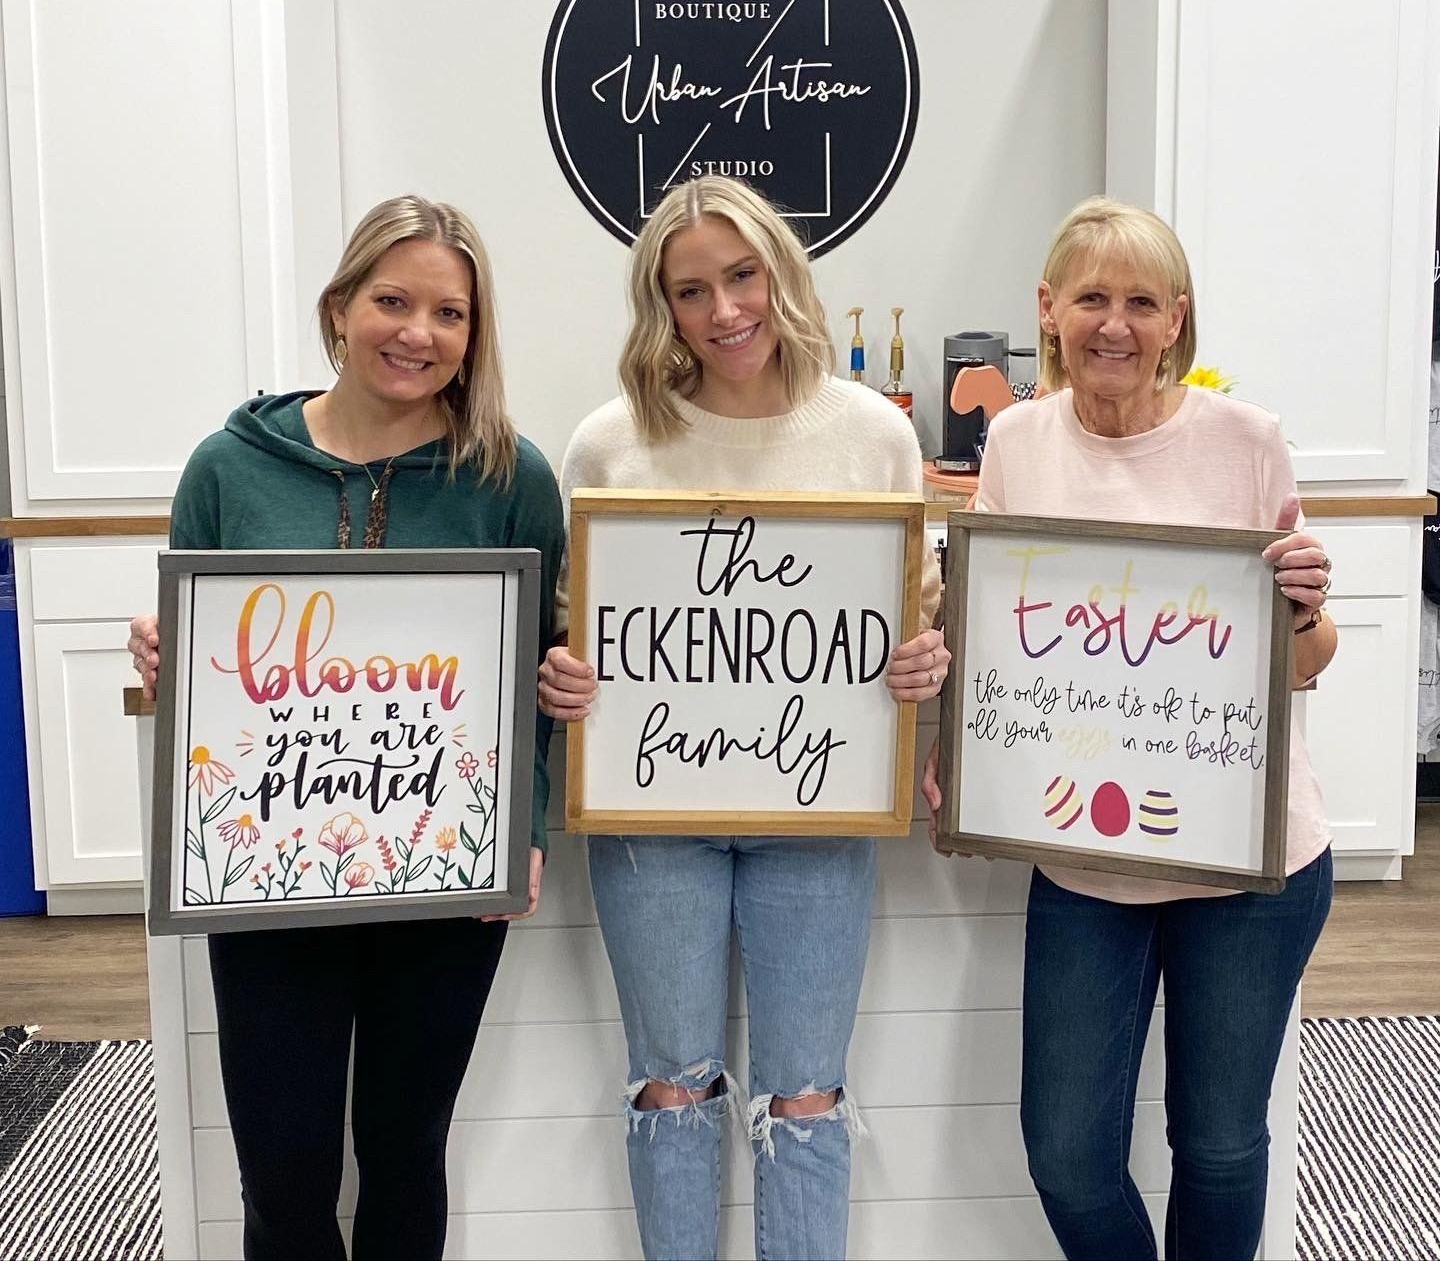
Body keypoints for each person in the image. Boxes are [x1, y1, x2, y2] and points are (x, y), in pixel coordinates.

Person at [127, 196, 563, 1261]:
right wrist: (168, 654)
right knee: (283, 1172)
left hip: (444, 877)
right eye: (393, 301)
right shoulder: (228, 468)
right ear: (339, 308)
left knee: (408, 1152)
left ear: (474, 334)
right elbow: (204, 663)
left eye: (449, 313)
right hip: (265, 880)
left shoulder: (512, 478)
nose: (419, 333)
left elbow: (537, 676)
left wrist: (526, 825)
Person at [538, 176, 947, 1261]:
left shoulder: (873, 433)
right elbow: (576, 622)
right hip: (651, 814)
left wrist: (922, 661)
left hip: (820, 807)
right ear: (661, 307)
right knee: (669, 1089)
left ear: (781, 274)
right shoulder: (609, 443)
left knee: (806, 1097)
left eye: (742, 276)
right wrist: (561, 675)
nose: (724, 310)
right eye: (691, 290)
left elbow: (910, 611)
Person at [922, 196, 1337, 1261]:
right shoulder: (1016, 441)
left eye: (1143, 303)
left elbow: (1303, 662)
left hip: (1249, 864)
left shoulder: (1246, 442)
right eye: (1093, 298)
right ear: (1048, 309)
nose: (1116, 324)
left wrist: (1304, 611)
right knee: (1066, 1153)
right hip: (1085, 858)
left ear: (1176, 319)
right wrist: (960, 746)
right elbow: (1002, 637)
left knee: (1220, 1146)